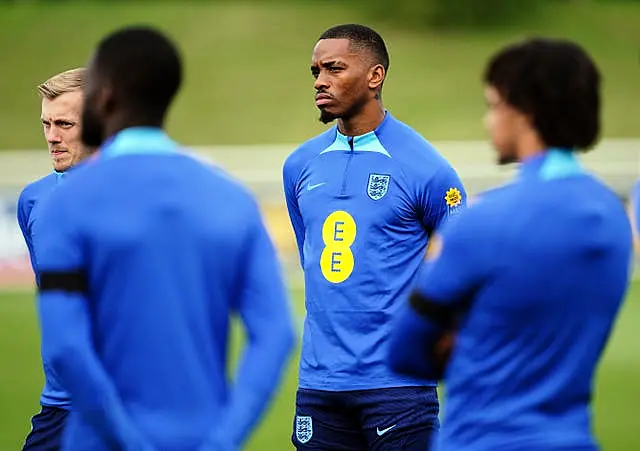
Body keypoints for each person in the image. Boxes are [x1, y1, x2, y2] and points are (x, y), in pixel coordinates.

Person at [34, 26, 295, 451]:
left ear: (104, 95)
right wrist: (224, 438)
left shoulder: (66, 202)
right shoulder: (231, 198)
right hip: (201, 438)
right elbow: (276, 334)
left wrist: (123, 437)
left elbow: (65, 347)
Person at [388, 37, 633, 451]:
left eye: (493, 104)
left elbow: (406, 351)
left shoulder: (483, 219)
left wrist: (467, 342)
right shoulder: (612, 216)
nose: (488, 121)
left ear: (525, 111)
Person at [283, 23, 466, 450]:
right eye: (315, 72)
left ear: (375, 76)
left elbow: (461, 268)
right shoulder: (299, 166)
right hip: (319, 385)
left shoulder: (426, 168)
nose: (320, 81)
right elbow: (313, 262)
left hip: (397, 386)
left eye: (333, 68)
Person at [17, 67, 91, 451]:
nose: (51, 136)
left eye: (64, 123)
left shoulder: (146, 197)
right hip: (60, 407)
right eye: (46, 123)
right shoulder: (33, 201)